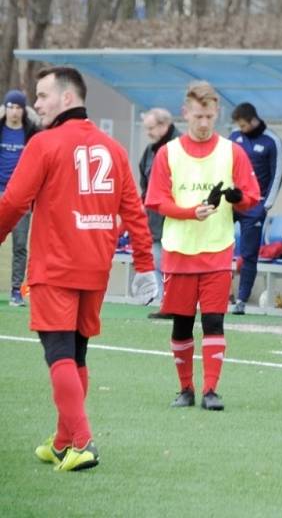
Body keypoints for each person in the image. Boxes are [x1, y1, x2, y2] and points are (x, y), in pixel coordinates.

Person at [0, 66, 157, 472]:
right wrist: (143, 265)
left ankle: (83, 442)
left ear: (67, 98)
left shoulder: (45, 143)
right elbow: (135, 214)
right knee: (76, 354)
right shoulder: (114, 148)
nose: (35, 104)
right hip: (95, 269)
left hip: (55, 266)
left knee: (58, 355)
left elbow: (13, 202)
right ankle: (62, 441)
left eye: (41, 95)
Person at [145, 81, 260, 411]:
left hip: (217, 249)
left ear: (217, 113)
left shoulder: (232, 151)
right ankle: (185, 389)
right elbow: (156, 201)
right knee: (181, 324)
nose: (204, 122)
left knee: (214, 321)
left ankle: (211, 390)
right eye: (198, 115)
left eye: (209, 115)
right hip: (179, 251)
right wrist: (188, 213)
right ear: (185, 114)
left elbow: (251, 197)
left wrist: (239, 199)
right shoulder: (168, 153)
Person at [229, 102, 282, 315]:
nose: (241, 129)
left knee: (249, 254)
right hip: (231, 201)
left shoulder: (272, 141)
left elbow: (277, 174)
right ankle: (218, 294)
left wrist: (265, 205)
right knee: (218, 247)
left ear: (253, 120)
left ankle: (241, 300)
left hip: (254, 206)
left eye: (243, 125)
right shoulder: (234, 138)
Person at [138, 107, 180, 318]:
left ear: (164, 125)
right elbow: (145, 186)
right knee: (157, 262)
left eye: (151, 128)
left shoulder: (181, 147)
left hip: (178, 219)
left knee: (172, 265)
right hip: (155, 222)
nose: (149, 133)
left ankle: (175, 304)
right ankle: (165, 304)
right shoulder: (149, 151)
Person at [0, 89, 40, 306]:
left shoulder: (31, 132)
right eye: (10, 107)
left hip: (21, 196)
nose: (14, 111)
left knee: (20, 244)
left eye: (18, 107)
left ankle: (16, 290)